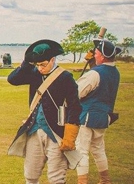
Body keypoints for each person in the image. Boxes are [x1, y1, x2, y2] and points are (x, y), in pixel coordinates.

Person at [7, 39, 82, 184]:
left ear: (53, 60)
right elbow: (13, 79)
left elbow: (74, 106)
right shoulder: (34, 72)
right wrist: (27, 63)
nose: (40, 68)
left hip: (56, 132)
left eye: (43, 64)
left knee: (56, 178)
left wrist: (70, 135)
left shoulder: (65, 77)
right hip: (34, 130)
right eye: (37, 64)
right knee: (31, 175)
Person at [75, 39, 121, 184]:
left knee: (81, 151)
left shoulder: (94, 73)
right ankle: (105, 180)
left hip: (87, 117)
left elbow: (77, 93)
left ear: (102, 55)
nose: (94, 55)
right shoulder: (115, 72)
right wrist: (92, 65)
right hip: (103, 117)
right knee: (98, 150)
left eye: (96, 53)